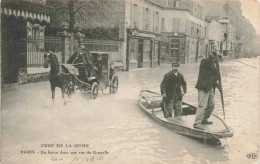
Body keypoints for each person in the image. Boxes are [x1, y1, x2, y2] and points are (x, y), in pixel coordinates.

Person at [193, 51, 221, 130]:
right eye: (215, 57)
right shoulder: (204, 62)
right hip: (203, 87)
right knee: (202, 105)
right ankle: (197, 123)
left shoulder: (214, 65)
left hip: (210, 88)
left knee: (211, 105)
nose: (216, 59)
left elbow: (213, 77)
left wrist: (217, 85)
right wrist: (212, 56)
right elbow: (207, 62)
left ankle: (204, 119)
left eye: (216, 58)